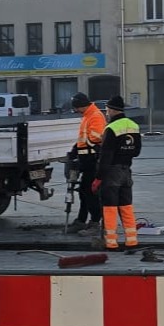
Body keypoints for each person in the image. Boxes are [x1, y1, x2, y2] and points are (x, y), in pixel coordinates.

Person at [92, 95, 142, 252]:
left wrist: (98, 178)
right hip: (127, 171)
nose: (106, 113)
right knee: (126, 206)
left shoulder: (111, 129)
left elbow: (106, 157)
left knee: (110, 207)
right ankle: (132, 240)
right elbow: (137, 151)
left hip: (112, 172)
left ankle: (111, 242)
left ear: (112, 110)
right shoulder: (133, 126)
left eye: (107, 110)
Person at [65, 92, 106, 234]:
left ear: (81, 105)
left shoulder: (95, 116)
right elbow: (83, 138)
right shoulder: (88, 116)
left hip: (92, 160)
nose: (76, 111)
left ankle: (94, 222)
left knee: (90, 192)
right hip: (86, 160)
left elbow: (95, 138)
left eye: (76, 108)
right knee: (84, 192)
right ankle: (81, 221)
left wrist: (84, 151)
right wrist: (75, 150)